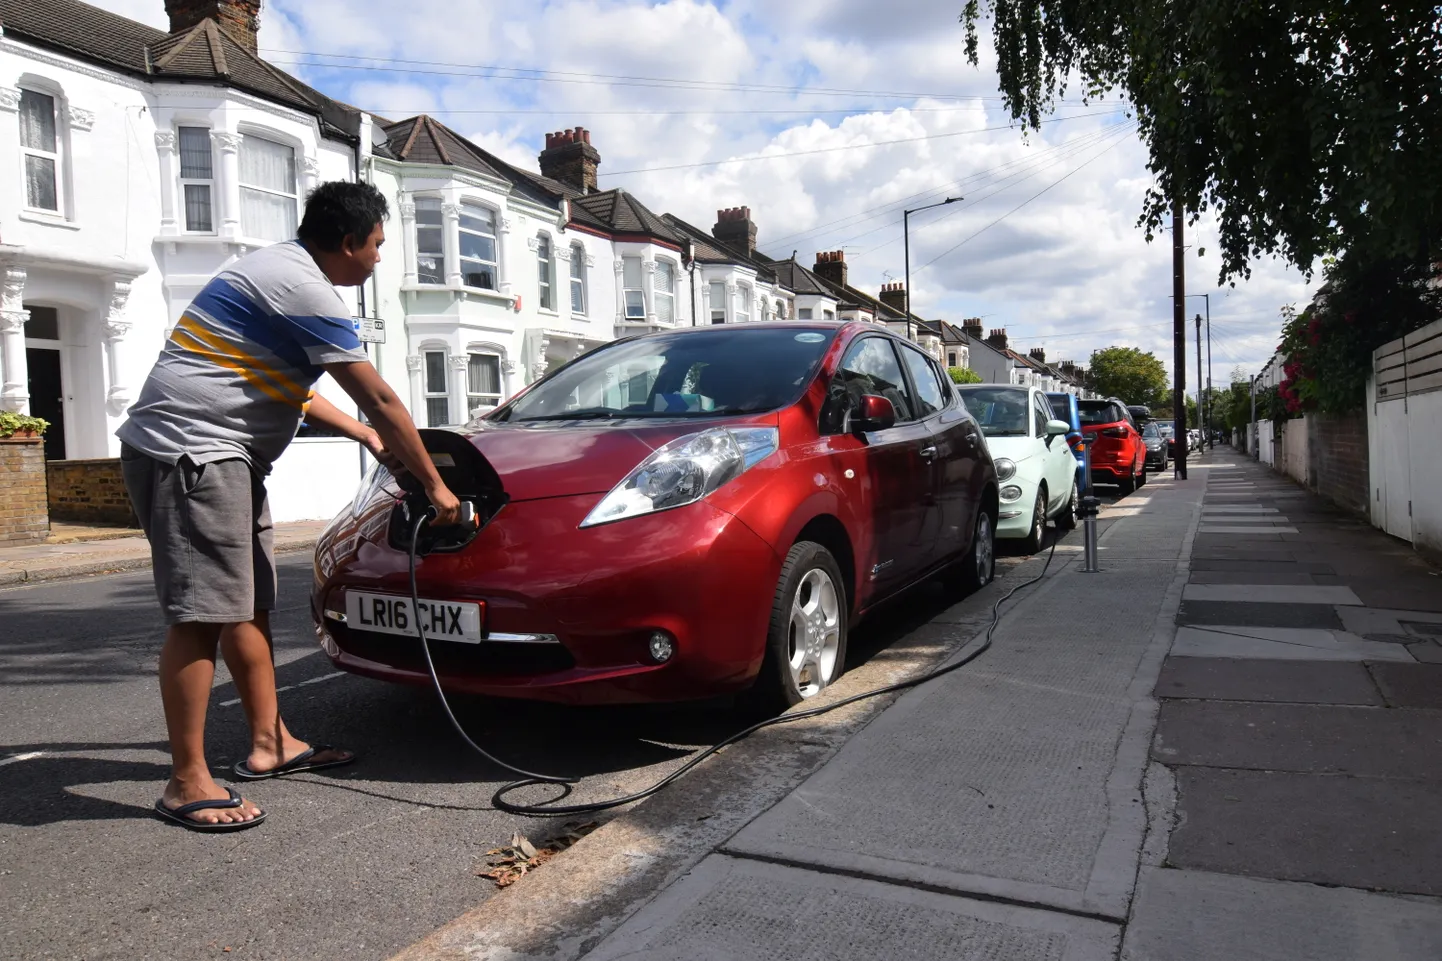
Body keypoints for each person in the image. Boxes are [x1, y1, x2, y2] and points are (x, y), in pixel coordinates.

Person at [117, 181, 461, 832]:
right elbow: (382, 399)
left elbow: (290, 388)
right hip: (191, 453)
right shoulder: (304, 286)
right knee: (201, 615)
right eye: (378, 244)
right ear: (349, 241)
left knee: (250, 603)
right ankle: (186, 780)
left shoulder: (282, 275)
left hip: (226, 458)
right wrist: (438, 489)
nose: (379, 258)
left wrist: (360, 435)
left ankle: (272, 741)